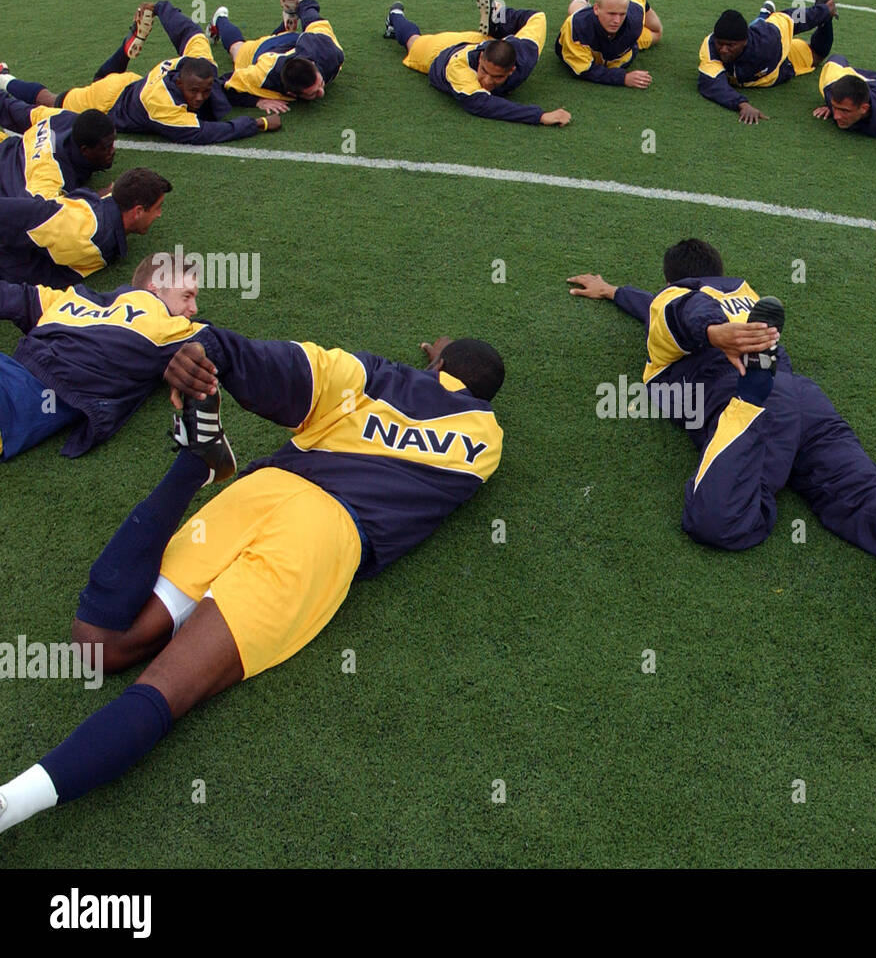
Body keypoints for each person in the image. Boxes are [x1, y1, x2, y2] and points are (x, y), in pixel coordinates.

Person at [0, 327, 504, 836]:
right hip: (325, 535)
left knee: (98, 645)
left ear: (438, 365)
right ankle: (8, 805)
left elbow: (292, 368)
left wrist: (210, 351)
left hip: (263, 493)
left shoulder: (376, 374)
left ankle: (195, 465)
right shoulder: (487, 441)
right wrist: (443, 366)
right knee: (168, 689)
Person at [567, 238, 876, 670]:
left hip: (743, 403)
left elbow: (679, 312)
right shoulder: (745, 296)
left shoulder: (679, 303)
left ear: (671, 280)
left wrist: (712, 336)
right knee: (864, 495)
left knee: (716, 521)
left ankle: (753, 391)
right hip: (803, 401)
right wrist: (612, 291)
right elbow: (657, 308)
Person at [0, 250, 202, 460]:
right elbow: (217, 343)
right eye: (186, 296)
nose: (194, 309)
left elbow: (17, 297)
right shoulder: (164, 327)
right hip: (16, 395)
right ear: (155, 288)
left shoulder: (77, 298)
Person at [0, 0, 281, 144]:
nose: (199, 97)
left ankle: (127, 48)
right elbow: (201, 133)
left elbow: (190, 33)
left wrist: (161, 8)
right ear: (180, 82)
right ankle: (4, 79)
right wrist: (258, 124)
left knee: (100, 79)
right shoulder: (162, 105)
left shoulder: (197, 64)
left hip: (129, 85)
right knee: (51, 101)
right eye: (193, 91)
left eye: (205, 91)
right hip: (106, 102)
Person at [383, 0, 570, 126]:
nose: (486, 81)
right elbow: (483, 105)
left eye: (497, 77)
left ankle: (497, 20)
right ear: (480, 60)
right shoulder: (459, 70)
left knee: (502, 29)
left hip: (484, 41)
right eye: (484, 72)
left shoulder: (525, 53)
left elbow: (537, 17)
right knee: (413, 42)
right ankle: (395, 16)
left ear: (512, 70)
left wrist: (502, 25)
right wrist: (540, 116)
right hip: (442, 54)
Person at [0, 166, 171, 287]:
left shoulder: (106, 218)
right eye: (158, 207)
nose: (160, 214)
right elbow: (28, 213)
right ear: (138, 211)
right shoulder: (87, 230)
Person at [698, 0, 837, 124]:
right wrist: (742, 104)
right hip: (764, 64)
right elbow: (712, 83)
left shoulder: (768, 39)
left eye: (730, 45)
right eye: (720, 43)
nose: (723, 49)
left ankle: (824, 21)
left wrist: (824, 11)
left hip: (778, 65)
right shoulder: (710, 46)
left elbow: (791, 19)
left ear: (744, 42)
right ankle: (764, 15)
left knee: (817, 55)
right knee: (759, 24)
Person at [208, 0, 344, 111]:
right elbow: (221, 85)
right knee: (237, 49)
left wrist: (302, 1)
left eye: (320, 84)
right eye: (312, 93)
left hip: (295, 41)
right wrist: (257, 101)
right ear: (290, 92)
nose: (322, 93)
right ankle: (219, 18)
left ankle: (288, 20)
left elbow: (313, 17)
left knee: (309, 24)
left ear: (313, 64)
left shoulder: (328, 51)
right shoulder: (263, 74)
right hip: (265, 50)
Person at [556, 0, 661, 88]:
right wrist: (623, 78)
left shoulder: (633, 17)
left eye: (621, 14)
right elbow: (584, 70)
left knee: (657, 33)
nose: (616, 21)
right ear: (596, 9)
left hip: (622, 46)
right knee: (576, 12)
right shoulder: (577, 27)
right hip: (584, 46)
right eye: (611, 14)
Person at [0, 91, 116, 197]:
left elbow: (14, 109)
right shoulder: (51, 175)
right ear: (85, 150)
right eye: (106, 147)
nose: (113, 150)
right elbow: (45, 213)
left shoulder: (62, 118)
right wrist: (99, 197)